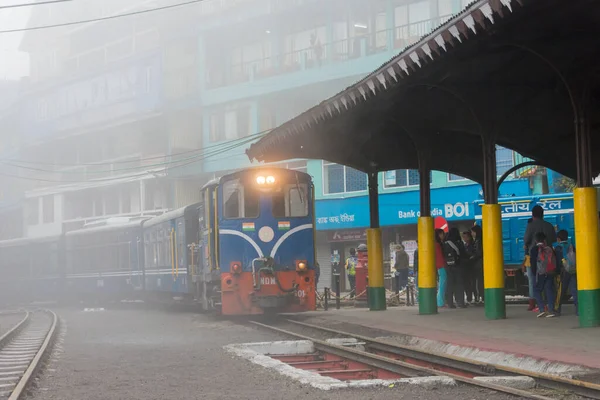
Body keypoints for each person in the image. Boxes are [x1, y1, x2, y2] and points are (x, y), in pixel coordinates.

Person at [530, 232, 558, 318]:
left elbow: (533, 264)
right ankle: (551, 310)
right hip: (550, 272)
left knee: (536, 290)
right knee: (549, 290)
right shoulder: (549, 248)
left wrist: (534, 274)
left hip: (540, 273)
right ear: (544, 240)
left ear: (535, 240)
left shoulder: (534, 249)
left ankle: (542, 309)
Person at [554, 230, 577, 316]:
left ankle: (557, 310)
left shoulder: (558, 248)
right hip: (573, 270)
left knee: (560, 292)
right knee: (574, 290)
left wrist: (557, 272)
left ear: (559, 239)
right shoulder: (571, 246)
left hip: (563, 272)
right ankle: (578, 310)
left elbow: (557, 262)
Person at [444, 227, 466, 308]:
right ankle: (460, 302)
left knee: (450, 284)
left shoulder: (445, 243)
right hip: (458, 266)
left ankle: (450, 302)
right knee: (459, 284)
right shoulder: (459, 242)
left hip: (448, 266)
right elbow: (463, 254)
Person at [523, 218, 537, 311]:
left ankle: (532, 303)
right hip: (541, 259)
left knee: (531, 281)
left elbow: (525, 245)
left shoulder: (529, 232)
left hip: (530, 258)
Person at [470, 224, 484, 304]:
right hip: (479, 263)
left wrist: (472, 257)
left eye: (473, 232)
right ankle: (481, 296)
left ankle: (481, 297)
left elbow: (479, 253)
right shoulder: (479, 240)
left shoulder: (478, 241)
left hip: (478, 264)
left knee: (479, 281)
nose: (472, 234)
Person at [462, 231, 476, 304]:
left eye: (466, 237)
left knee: (472, 283)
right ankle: (469, 298)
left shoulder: (472, 245)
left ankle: (475, 297)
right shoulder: (464, 245)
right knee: (467, 284)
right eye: (463, 237)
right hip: (466, 267)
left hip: (472, 267)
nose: (464, 238)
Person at [435, 229, 447, 308]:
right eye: (442, 234)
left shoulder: (435, 244)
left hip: (439, 266)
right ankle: (440, 302)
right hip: (442, 266)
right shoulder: (437, 244)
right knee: (443, 283)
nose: (443, 235)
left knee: (442, 283)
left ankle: (440, 301)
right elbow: (440, 257)